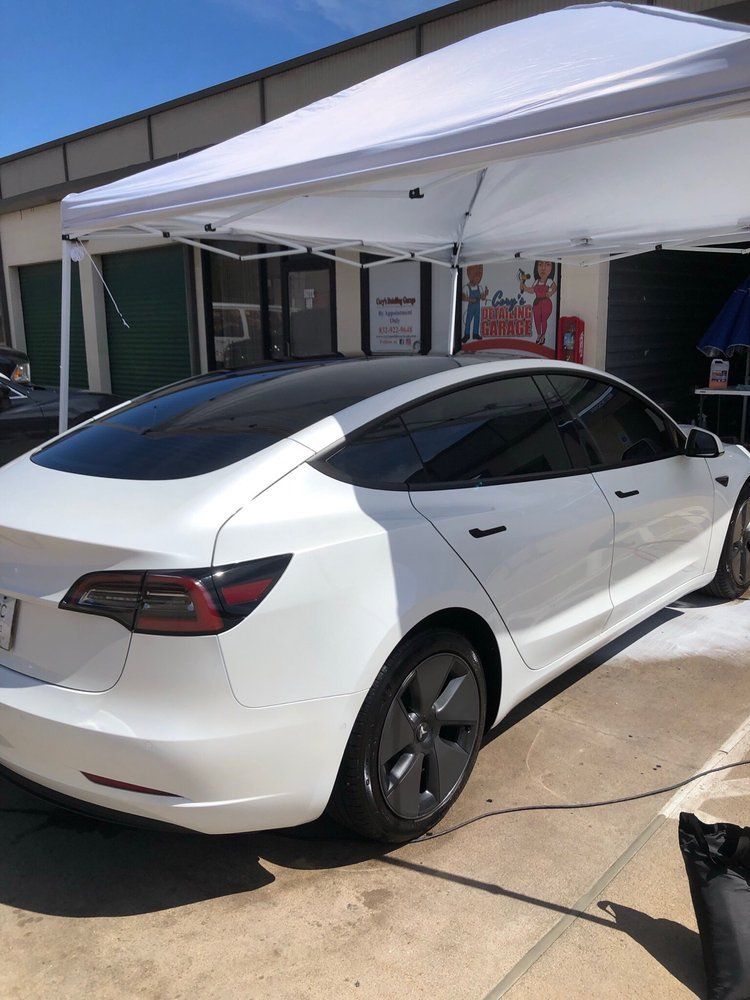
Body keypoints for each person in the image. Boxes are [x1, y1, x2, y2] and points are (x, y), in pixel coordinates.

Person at [520, 260, 557, 345]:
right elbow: (531, 290)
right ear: (536, 267)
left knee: (543, 320)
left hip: (546, 303)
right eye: (540, 265)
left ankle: (543, 336)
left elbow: (554, 287)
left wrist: (550, 293)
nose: (543, 268)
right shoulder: (536, 281)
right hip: (537, 304)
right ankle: (539, 335)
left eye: (547, 265)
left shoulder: (549, 281)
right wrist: (524, 286)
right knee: (536, 320)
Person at [461, 264, 488, 343]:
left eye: (479, 276)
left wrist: (485, 294)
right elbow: (463, 297)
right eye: (476, 275)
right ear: (470, 275)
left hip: (477, 308)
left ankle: (475, 333)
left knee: (477, 320)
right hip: (470, 307)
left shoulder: (480, 287)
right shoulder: (466, 287)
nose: (478, 278)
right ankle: (466, 335)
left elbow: (482, 297)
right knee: (468, 321)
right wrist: (470, 299)